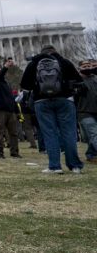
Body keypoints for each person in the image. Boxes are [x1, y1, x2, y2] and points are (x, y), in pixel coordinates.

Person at [20, 45, 84, 173]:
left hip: (41, 101)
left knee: (50, 133)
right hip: (65, 100)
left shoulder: (34, 64)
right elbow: (79, 81)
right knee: (69, 133)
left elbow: (25, 85)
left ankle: (55, 166)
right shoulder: (64, 62)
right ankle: (74, 165)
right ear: (55, 51)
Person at [0, 60, 22, 159]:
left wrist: (16, 111)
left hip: (10, 111)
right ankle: (0, 153)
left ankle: (14, 152)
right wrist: (5, 67)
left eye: (0, 67)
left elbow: (11, 98)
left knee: (14, 133)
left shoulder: (6, 83)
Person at [75, 60, 97, 164]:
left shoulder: (95, 78)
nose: (88, 67)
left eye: (89, 65)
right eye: (84, 66)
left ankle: (91, 155)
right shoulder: (77, 80)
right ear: (80, 68)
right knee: (94, 134)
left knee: (91, 137)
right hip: (84, 112)